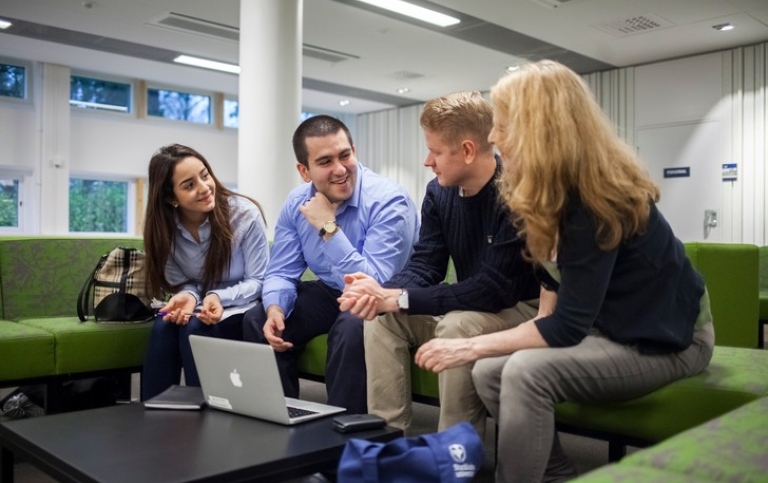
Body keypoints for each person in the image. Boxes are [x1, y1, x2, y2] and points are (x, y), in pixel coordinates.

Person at [413, 60, 716, 482]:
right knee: (491, 372)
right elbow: (550, 295)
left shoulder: (596, 199)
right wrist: (497, 347)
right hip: (608, 330)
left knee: (520, 370)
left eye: (503, 125)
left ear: (540, 129)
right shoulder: (541, 192)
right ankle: (554, 472)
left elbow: (568, 327)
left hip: (668, 341)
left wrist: (467, 347)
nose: (494, 137)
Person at [338, 91, 540, 437]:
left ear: (466, 150)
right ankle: (389, 441)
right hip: (470, 306)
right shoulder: (438, 192)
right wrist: (381, 293)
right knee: (383, 322)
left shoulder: (516, 195)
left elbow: (494, 289)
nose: (427, 161)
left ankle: (455, 453)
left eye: (435, 151)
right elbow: (426, 264)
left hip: (520, 309)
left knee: (456, 327)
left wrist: (401, 298)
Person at [243, 115, 419, 414]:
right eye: (325, 161)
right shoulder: (297, 202)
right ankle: (278, 420)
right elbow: (282, 270)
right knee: (258, 318)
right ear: (304, 171)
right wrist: (275, 308)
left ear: (355, 151)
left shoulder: (389, 200)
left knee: (352, 326)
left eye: (345, 155)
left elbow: (372, 281)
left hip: (387, 295)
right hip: (334, 290)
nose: (340, 170)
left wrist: (328, 227)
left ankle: (340, 438)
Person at [141, 143, 269, 401]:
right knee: (163, 326)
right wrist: (189, 296)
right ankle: (152, 414)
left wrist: (217, 297)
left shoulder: (244, 215)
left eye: (205, 175)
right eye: (189, 185)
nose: (204, 188)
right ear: (170, 198)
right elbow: (184, 282)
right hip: (202, 305)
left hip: (242, 307)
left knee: (195, 327)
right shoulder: (164, 231)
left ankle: (209, 415)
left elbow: (259, 280)